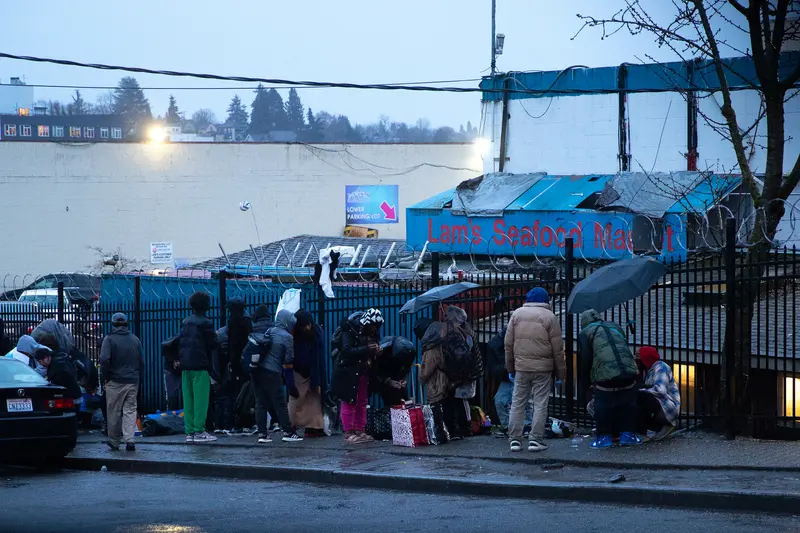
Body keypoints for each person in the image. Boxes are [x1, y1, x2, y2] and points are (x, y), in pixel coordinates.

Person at [504, 287, 565, 453]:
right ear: (546, 300)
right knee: (540, 403)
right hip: (543, 369)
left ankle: (515, 440)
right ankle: (535, 440)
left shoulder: (516, 314)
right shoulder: (550, 317)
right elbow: (558, 349)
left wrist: (510, 368)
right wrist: (560, 374)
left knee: (517, 403)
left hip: (521, 367)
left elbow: (508, 345)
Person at [579, 309, 642, 449]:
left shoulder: (585, 333)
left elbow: (585, 359)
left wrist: (587, 382)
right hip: (629, 371)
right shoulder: (615, 327)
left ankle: (604, 437)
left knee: (603, 405)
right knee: (628, 403)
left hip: (605, 376)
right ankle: (628, 435)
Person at [249, 309, 303, 443]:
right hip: (272, 372)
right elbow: (289, 358)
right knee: (279, 402)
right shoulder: (287, 337)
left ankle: (262, 434)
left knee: (260, 403)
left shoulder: (269, 331)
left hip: (257, 370)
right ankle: (288, 432)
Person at [331, 309, 383, 444]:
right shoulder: (350, 330)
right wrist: (367, 349)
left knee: (362, 402)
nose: (374, 329)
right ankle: (348, 433)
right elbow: (346, 351)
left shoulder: (372, 332)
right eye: (373, 326)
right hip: (348, 371)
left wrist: (376, 351)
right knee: (349, 401)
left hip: (363, 371)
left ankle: (360, 430)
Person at [99, 313, 144, 452]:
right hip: (132, 380)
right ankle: (130, 440)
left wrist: (105, 378)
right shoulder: (135, 340)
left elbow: (104, 360)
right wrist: (138, 378)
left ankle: (114, 441)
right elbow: (141, 361)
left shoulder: (109, 340)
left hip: (115, 381)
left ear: (113, 324)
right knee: (130, 410)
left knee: (114, 411)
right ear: (127, 324)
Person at [178, 291, 218, 443]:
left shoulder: (185, 321)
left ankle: (190, 431)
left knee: (188, 400)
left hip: (185, 364)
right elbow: (212, 343)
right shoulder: (206, 322)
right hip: (200, 364)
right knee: (201, 400)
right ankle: (199, 430)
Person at [289, 309, 326, 438]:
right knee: (299, 399)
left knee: (311, 399)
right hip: (302, 369)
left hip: (306, 369)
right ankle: (295, 425)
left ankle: (313, 426)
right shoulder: (315, 333)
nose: (308, 327)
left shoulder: (298, 333)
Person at [487, 328, 532, 435]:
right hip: (511, 377)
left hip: (516, 376)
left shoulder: (495, 344)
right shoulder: (498, 344)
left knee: (525, 402)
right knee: (500, 401)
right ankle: (510, 426)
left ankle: (525, 426)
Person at [637, 346, 680, 440]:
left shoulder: (661, 367)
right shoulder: (650, 370)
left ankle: (643, 433)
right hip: (662, 406)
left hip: (668, 408)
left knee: (640, 396)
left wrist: (640, 391)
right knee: (637, 398)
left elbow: (660, 390)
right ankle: (649, 430)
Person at [250, 305, 279, 433]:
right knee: (275, 396)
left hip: (257, 366)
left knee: (260, 399)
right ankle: (276, 422)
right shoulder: (274, 328)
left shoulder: (253, 329)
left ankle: (260, 427)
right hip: (273, 366)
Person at [226, 298, 252, 432]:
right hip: (246, 361)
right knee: (246, 392)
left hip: (237, 361)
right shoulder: (246, 321)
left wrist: (232, 361)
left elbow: (233, 344)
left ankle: (238, 422)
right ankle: (245, 421)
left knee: (238, 392)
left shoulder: (233, 322)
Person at [371, 336, 415, 407]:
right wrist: (388, 381)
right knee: (391, 400)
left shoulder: (408, 351)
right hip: (384, 374)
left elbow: (407, 366)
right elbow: (374, 371)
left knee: (404, 399)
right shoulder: (382, 350)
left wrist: (404, 379)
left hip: (396, 375)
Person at [34, 335, 81, 400]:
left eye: (40, 362)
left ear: (46, 358)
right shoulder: (58, 360)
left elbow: (59, 379)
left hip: (70, 397)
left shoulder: (57, 365)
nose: (41, 364)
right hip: (73, 394)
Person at [212, 326, 236, 434]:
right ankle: (227, 425)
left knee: (218, 401)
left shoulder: (215, 344)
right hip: (227, 375)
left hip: (216, 375)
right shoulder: (228, 344)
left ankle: (218, 425)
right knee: (228, 399)